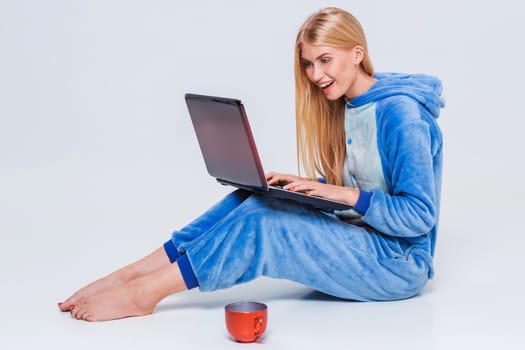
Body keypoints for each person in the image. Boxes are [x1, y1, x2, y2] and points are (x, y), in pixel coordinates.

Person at [58, 7, 444, 322]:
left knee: (265, 224)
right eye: (309, 64)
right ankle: (131, 273)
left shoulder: (400, 114)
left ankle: (145, 293)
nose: (316, 75)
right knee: (254, 198)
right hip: (361, 242)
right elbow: (365, 179)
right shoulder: (346, 103)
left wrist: (338, 192)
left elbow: (418, 215)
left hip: (398, 265)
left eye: (325, 60)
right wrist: (307, 185)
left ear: (357, 54)